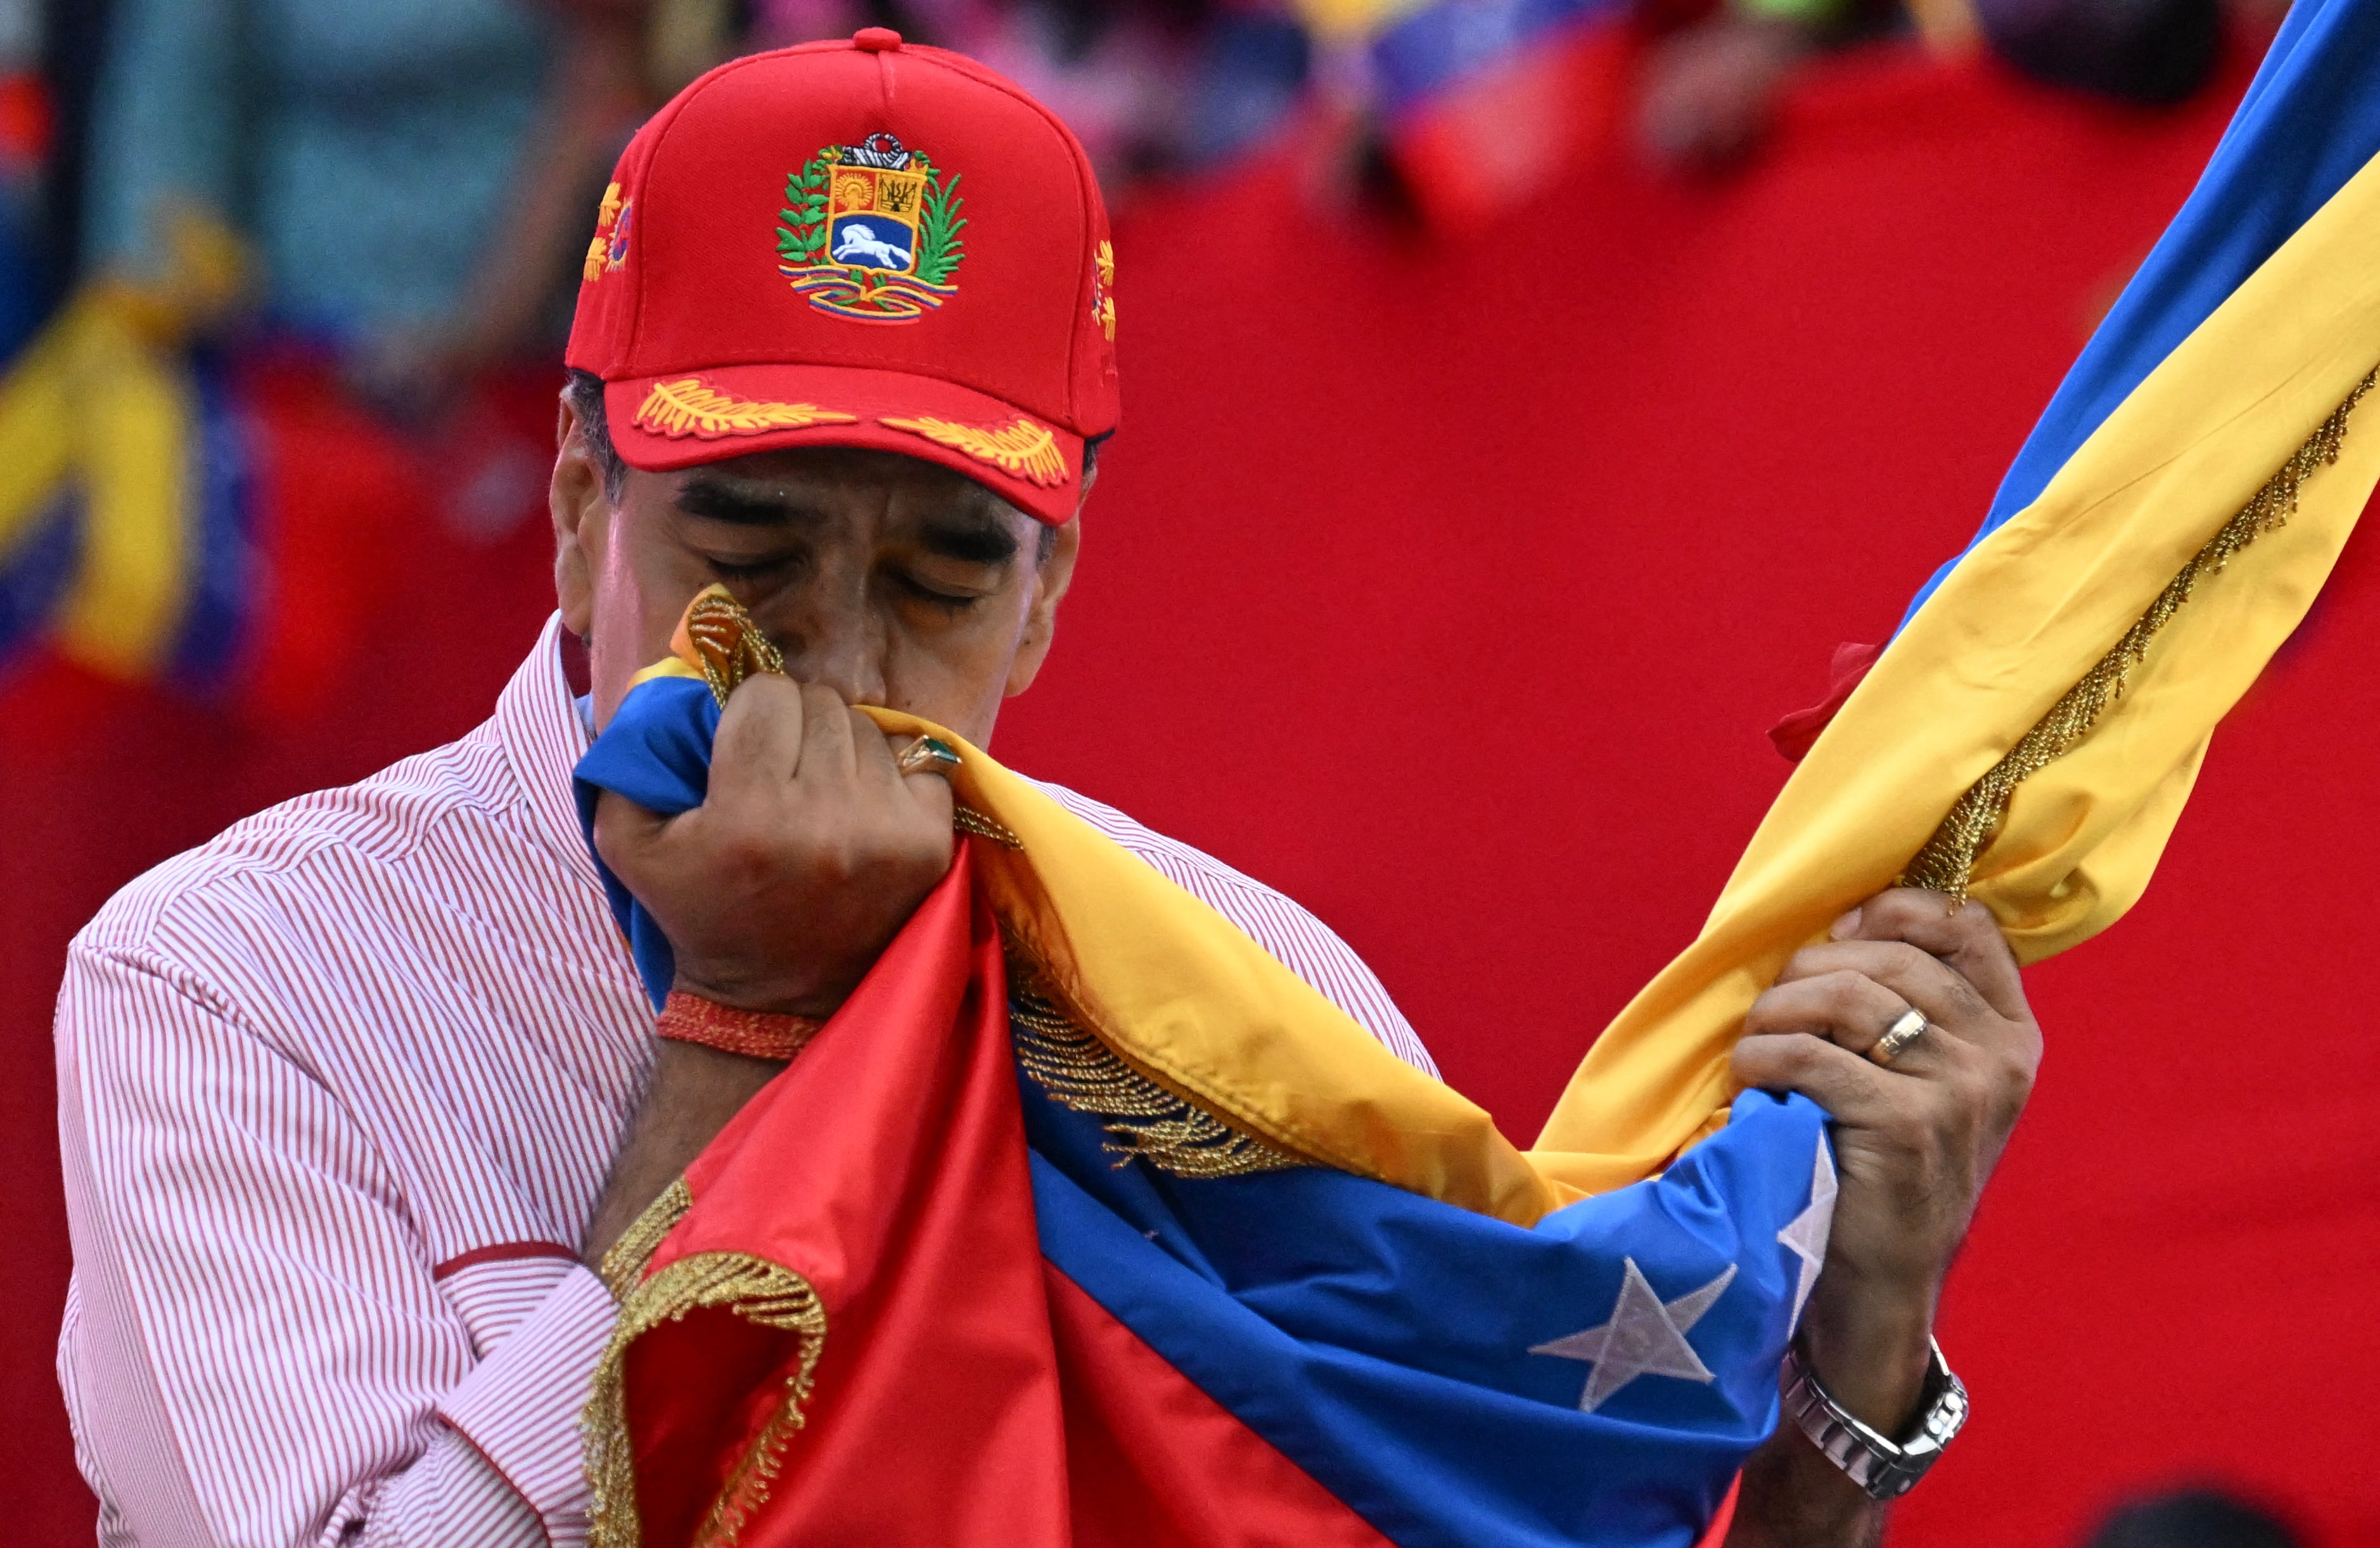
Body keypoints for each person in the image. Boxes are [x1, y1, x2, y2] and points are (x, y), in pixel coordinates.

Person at [54, 30, 2035, 1547]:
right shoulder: (240, 975)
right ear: (583, 513)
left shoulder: (1243, 995)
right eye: (749, 550)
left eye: (937, 578)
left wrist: (1844, 1373)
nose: (837, 657)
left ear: (1050, 596)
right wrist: (750, 1036)